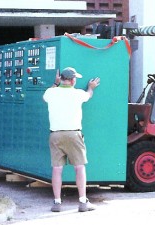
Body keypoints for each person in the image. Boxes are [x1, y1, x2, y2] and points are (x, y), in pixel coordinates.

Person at [43, 67, 100, 212]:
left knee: (57, 169)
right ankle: (82, 202)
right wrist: (91, 87)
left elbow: (47, 95)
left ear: (61, 79)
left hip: (55, 135)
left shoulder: (50, 92)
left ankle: (57, 203)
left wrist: (55, 84)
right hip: (74, 134)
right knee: (79, 167)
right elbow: (89, 95)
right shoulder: (78, 94)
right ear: (73, 80)